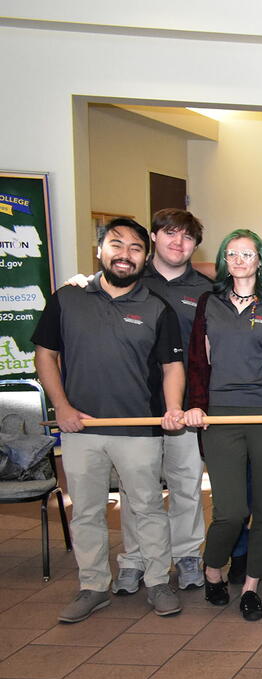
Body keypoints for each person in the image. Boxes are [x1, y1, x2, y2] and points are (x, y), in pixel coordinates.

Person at [33, 217, 187, 622]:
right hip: (81, 427)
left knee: (148, 508)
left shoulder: (157, 307)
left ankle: (157, 581)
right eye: (116, 245)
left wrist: (172, 408)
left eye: (135, 248)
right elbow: (45, 356)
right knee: (85, 511)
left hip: (139, 430)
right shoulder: (67, 299)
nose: (125, 255)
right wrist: (62, 408)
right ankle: (93, 586)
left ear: (145, 257)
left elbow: (172, 366)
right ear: (99, 250)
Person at [183, 229, 262, 621]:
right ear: (224, 261)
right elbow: (198, 362)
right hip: (221, 415)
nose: (239, 260)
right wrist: (196, 405)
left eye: (247, 254)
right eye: (231, 253)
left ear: (260, 261)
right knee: (231, 511)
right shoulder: (209, 302)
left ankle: (252, 585)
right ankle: (212, 568)